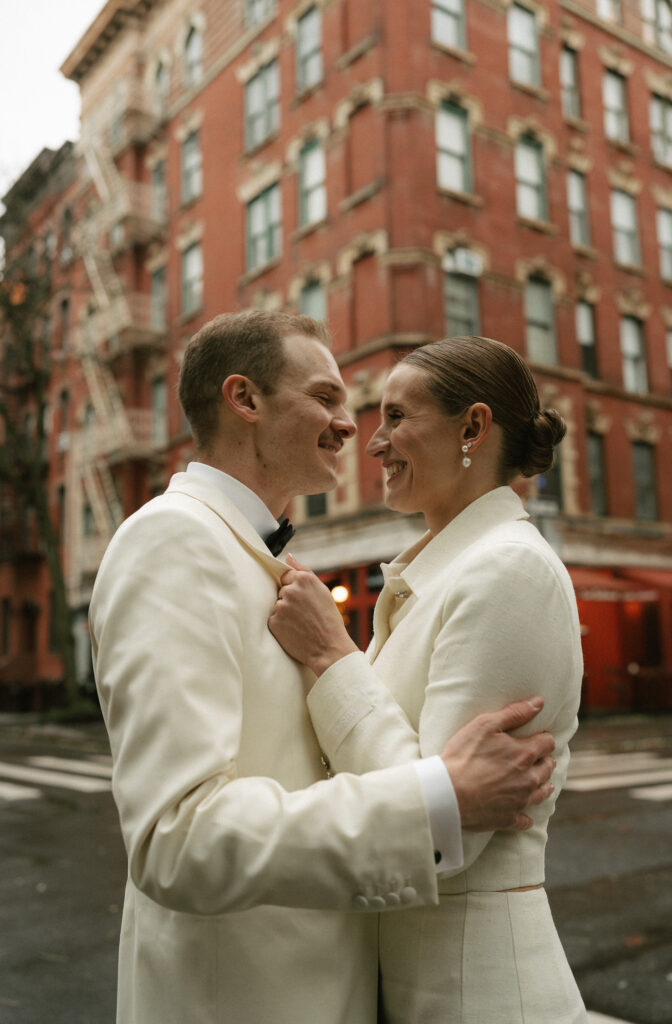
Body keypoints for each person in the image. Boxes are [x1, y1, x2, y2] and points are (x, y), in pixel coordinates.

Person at [90, 313, 557, 1024]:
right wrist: (432, 803)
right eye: (328, 397)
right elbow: (176, 839)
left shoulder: (252, 558)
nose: (352, 428)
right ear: (243, 399)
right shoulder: (171, 542)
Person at [269, 334, 587, 1023]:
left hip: (477, 989)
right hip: (411, 981)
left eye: (396, 417)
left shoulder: (509, 571)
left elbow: (453, 831)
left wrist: (331, 656)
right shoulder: (444, 571)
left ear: (473, 427)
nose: (373, 442)